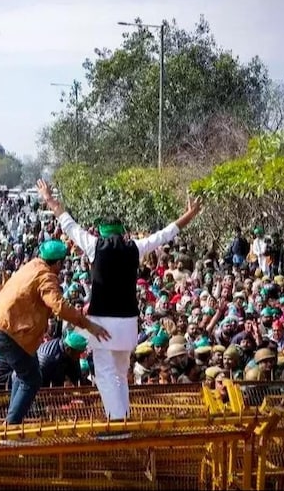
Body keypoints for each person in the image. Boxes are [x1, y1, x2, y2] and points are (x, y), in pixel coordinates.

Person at [37, 179, 202, 434]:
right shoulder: (134, 247)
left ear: (101, 232)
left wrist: (49, 199)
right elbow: (165, 234)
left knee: (104, 373)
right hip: (127, 324)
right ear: (121, 232)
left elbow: (67, 223)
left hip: (101, 323)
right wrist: (189, 214)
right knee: (120, 374)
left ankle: (117, 425)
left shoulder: (94, 246)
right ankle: (123, 419)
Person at [0, 239, 110, 431]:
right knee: (32, 378)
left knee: (26, 370)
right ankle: (11, 426)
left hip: (2, 329)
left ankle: (11, 420)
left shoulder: (32, 266)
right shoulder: (45, 275)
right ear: (58, 263)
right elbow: (59, 306)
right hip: (8, 332)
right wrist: (88, 325)